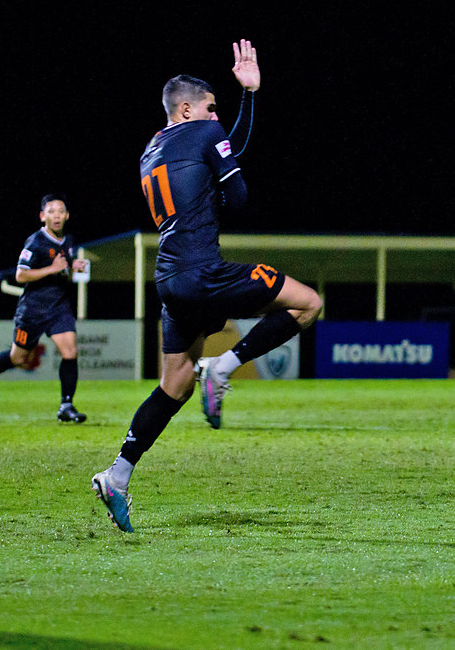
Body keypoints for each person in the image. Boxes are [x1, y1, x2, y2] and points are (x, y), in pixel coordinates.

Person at [91, 40, 322, 532]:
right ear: (189, 108)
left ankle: (117, 474)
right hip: (203, 272)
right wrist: (240, 123)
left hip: (170, 278)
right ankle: (223, 366)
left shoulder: (151, 148)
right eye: (212, 108)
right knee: (307, 304)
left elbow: (219, 150)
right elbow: (237, 195)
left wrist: (249, 99)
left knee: (172, 385)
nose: (218, 115)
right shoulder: (206, 131)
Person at [0, 195, 90, 422]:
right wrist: (52, 268)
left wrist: (74, 266)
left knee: (70, 352)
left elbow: (64, 270)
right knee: (17, 358)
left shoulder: (69, 241)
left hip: (58, 308)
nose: (56, 215)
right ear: (42, 216)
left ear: (67, 216)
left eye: (60, 211)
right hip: (33, 311)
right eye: (51, 211)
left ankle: (66, 406)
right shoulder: (35, 242)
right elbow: (20, 275)